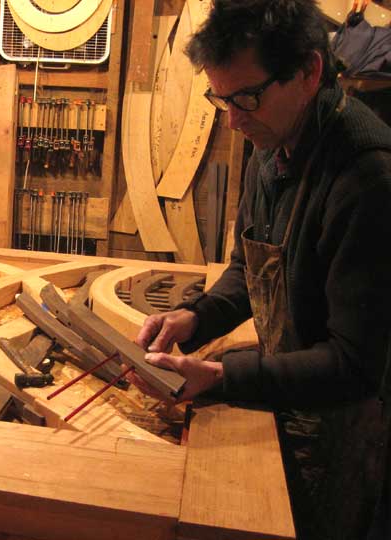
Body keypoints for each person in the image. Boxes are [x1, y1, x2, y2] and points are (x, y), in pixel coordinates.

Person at [131, 1, 391, 539]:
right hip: (283, 402)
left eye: (246, 97)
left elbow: (354, 364)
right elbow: (248, 271)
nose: (232, 119)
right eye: (219, 98)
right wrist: (194, 319)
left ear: (309, 72)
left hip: (343, 424)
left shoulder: (367, 179)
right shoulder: (270, 140)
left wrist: (224, 379)